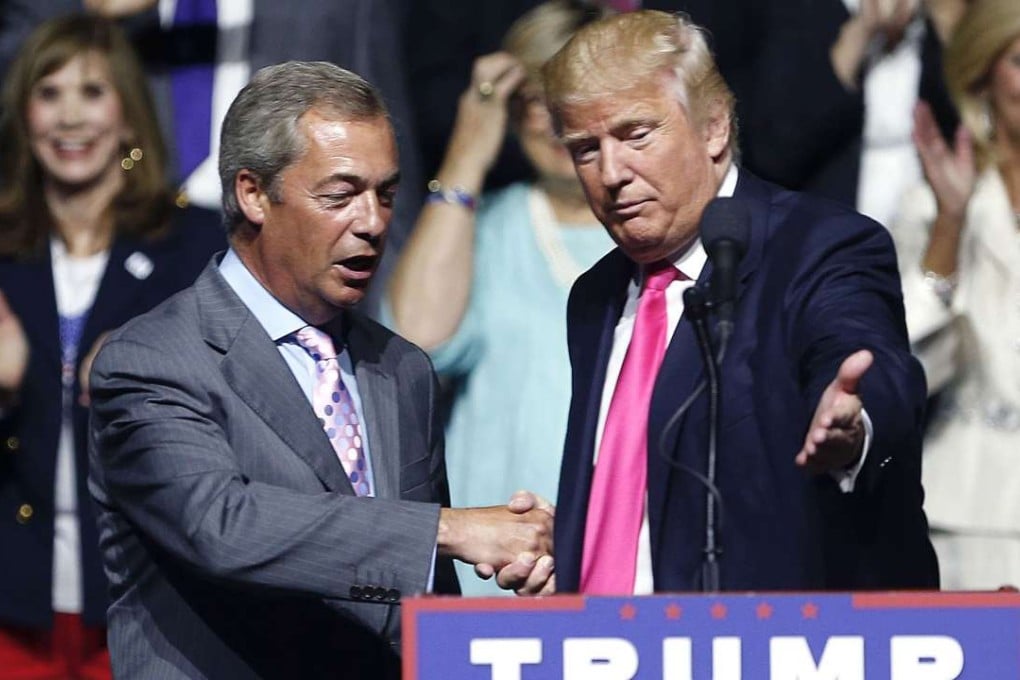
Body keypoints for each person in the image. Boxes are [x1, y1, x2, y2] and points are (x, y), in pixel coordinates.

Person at [86, 61, 554, 679]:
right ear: (254, 193)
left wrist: (508, 555)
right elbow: (222, 525)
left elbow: (423, 594)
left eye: (385, 194)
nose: (373, 222)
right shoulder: (153, 361)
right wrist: (450, 530)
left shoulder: (401, 367)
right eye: (340, 195)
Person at [542, 10, 938, 595]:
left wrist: (854, 423)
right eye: (585, 148)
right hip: (608, 648)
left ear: (713, 129)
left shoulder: (818, 246)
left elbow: (860, 353)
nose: (611, 173)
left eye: (635, 134)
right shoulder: (596, 296)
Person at [0, 15, 224, 678]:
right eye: (49, 93)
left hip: (150, 601)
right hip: (14, 604)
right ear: (24, 115)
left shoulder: (197, 246)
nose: (70, 117)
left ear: (129, 115)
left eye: (93, 93)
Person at [388, 0, 613, 596]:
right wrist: (467, 154)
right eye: (531, 101)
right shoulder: (488, 228)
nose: (551, 120)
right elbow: (415, 339)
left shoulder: (659, 237)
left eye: (571, 94)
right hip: (494, 578)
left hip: (622, 580)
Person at [890, 0, 1020, 590]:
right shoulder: (930, 205)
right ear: (984, 75)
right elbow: (906, 369)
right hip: (967, 509)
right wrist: (951, 225)